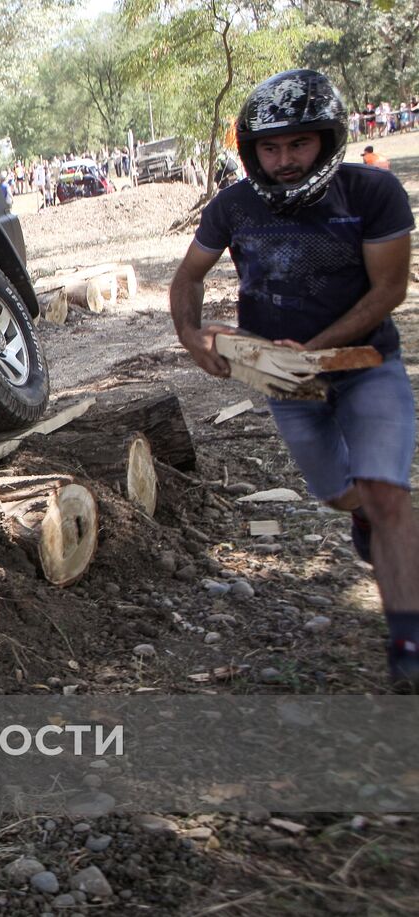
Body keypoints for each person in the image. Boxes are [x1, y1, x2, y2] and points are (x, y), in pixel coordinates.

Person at [169, 69, 418, 689]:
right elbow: (188, 277)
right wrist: (192, 337)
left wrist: (312, 348)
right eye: (269, 148)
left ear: (328, 140)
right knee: (341, 496)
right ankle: (361, 517)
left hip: (366, 367)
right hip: (286, 382)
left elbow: (390, 288)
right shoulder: (232, 204)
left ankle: (408, 636)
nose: (283, 160)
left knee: (387, 492)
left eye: (299, 144)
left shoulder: (372, 193)